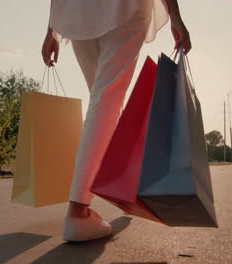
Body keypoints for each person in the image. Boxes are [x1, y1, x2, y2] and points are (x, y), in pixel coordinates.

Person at [41, 0, 191, 242]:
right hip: (123, 7)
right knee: (105, 103)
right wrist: (175, 15)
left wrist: (52, 30)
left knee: (102, 104)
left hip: (76, 11)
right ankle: (78, 211)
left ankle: (122, 188)